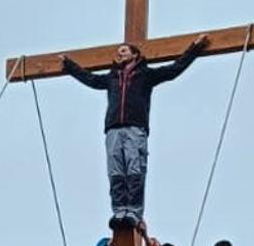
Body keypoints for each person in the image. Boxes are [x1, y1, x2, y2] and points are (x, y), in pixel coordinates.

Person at [62, 38, 208, 226]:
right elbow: (89, 78)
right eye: (119, 50)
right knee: (115, 171)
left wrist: (195, 48)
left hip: (135, 127)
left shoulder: (145, 75)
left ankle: (134, 211)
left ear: (135, 54)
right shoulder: (111, 77)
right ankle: (119, 211)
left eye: (124, 50)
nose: (120, 53)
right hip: (113, 128)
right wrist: (68, 65)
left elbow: (174, 69)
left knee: (134, 169)